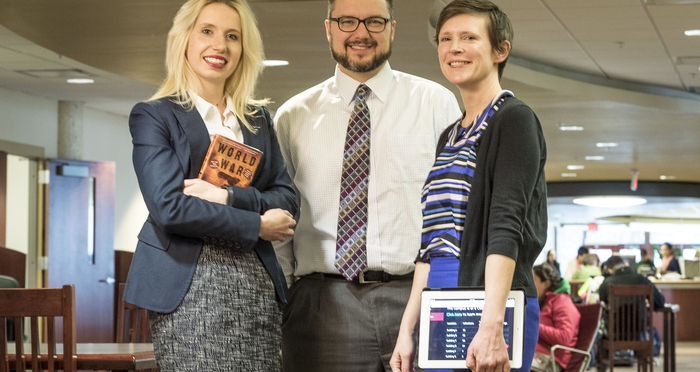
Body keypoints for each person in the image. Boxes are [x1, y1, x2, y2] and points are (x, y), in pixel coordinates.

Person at [274, 0, 462, 370]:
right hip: (321, 305)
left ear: (392, 28)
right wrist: (284, 298)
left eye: (374, 21)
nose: (361, 33)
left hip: (418, 298)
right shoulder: (292, 116)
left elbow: (457, 211)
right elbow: (281, 220)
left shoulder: (436, 104)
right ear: (328, 28)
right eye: (347, 21)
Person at [123, 0, 297, 370]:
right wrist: (258, 224)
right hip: (188, 290)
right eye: (207, 31)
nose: (220, 45)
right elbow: (171, 208)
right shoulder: (155, 116)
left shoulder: (257, 120)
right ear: (184, 40)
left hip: (256, 289)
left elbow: (286, 199)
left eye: (232, 36)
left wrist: (225, 195)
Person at [390, 1, 548, 371]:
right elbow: (430, 243)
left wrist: (492, 326)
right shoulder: (451, 134)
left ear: (500, 50)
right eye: (445, 38)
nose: (453, 48)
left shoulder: (514, 119)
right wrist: (406, 328)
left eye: (468, 38)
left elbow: (506, 226)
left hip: (492, 299)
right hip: (442, 297)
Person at [598, 255, 665, 338]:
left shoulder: (606, 283)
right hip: (640, 330)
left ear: (609, 270)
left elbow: (601, 303)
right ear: (625, 264)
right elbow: (660, 302)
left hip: (615, 331)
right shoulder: (641, 279)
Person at [531, 264, 580, 372]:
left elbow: (564, 337)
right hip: (536, 354)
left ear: (546, 284)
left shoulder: (562, 302)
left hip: (550, 360)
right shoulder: (543, 301)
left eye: (533, 279)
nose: (529, 284)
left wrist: (533, 325)